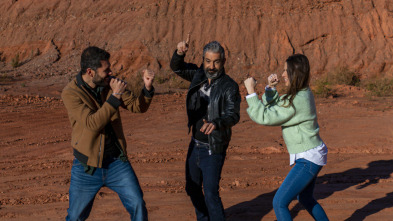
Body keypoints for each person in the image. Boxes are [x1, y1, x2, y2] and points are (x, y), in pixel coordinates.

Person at [61, 46, 155, 221]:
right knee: (75, 217)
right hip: (87, 167)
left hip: (116, 163)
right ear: (90, 72)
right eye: (106, 70)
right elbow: (92, 123)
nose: (110, 72)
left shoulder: (109, 84)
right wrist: (115, 97)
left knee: (138, 206)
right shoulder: (71, 93)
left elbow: (137, 106)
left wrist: (147, 88)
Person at [244, 54, 329, 221]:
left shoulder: (298, 100)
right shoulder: (302, 93)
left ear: (294, 73)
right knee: (305, 198)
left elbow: (265, 117)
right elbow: (279, 106)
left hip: (308, 159)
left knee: (279, 202)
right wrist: (270, 88)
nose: (282, 74)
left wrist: (251, 92)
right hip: (312, 153)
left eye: (285, 71)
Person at [170, 36, 241, 221]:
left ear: (223, 62)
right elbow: (177, 67)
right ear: (203, 61)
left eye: (216, 62)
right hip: (195, 144)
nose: (211, 66)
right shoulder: (198, 75)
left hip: (213, 147)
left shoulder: (229, 86)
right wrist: (179, 53)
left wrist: (216, 123)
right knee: (192, 188)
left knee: (210, 193)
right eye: (208, 61)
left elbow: (233, 114)